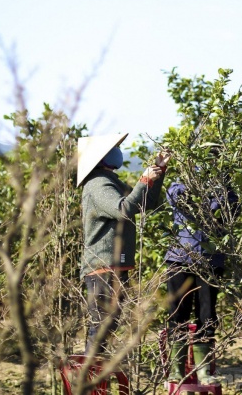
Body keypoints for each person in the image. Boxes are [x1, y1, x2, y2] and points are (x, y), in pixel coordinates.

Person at [77, 133, 170, 355]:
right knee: (101, 327)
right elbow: (124, 209)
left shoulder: (110, 181)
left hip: (113, 267)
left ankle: (94, 377)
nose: (117, 152)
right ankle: (90, 379)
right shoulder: (98, 184)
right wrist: (144, 180)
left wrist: (157, 173)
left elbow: (144, 203)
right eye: (112, 149)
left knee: (108, 325)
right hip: (103, 268)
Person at [164, 146, 238, 385]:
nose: (211, 160)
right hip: (180, 257)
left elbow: (229, 210)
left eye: (215, 156)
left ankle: (203, 369)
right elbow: (179, 198)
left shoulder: (225, 188)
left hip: (210, 259)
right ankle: (176, 369)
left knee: (207, 314)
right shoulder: (181, 183)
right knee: (178, 312)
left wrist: (219, 187)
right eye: (207, 156)